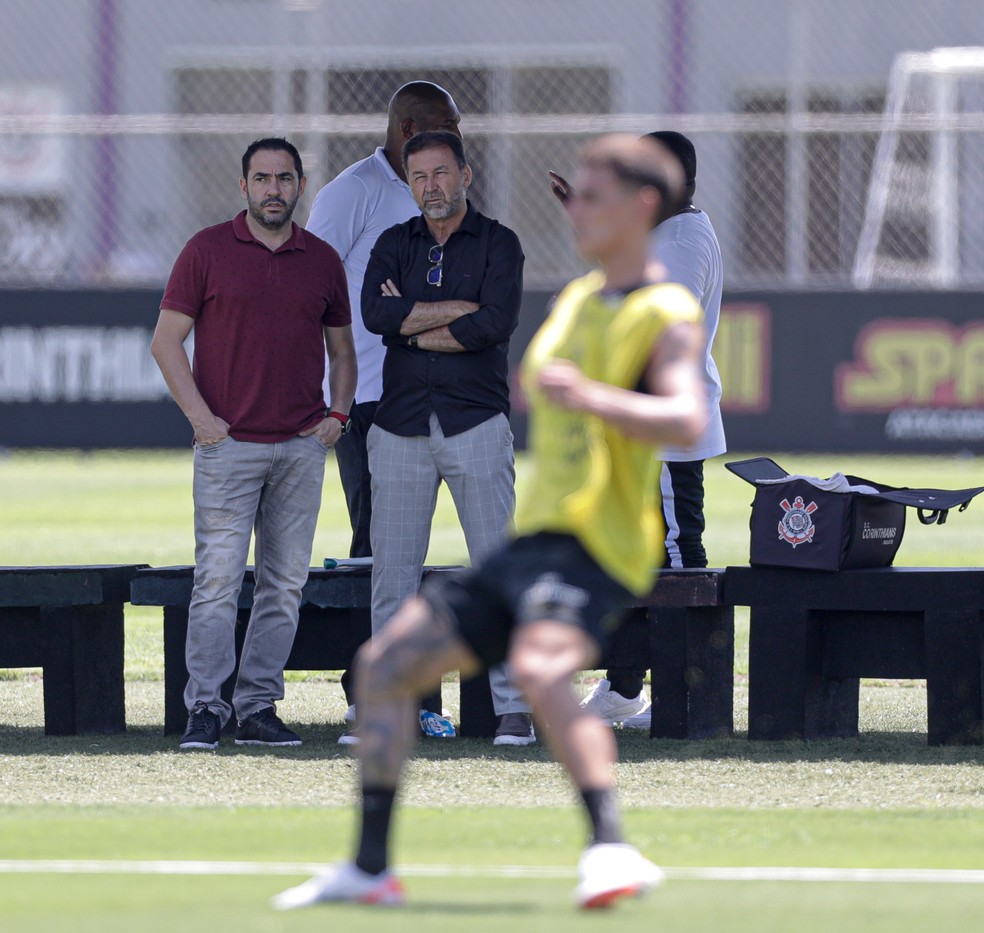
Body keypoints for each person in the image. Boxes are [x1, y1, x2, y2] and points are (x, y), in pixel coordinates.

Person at [272, 133, 706, 911]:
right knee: (381, 668)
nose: (575, 208)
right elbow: (390, 318)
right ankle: (370, 866)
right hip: (533, 543)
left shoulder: (662, 309)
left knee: (540, 672)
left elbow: (683, 415)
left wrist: (594, 397)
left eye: (595, 195)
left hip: (599, 546)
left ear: (641, 209)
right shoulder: (580, 299)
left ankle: (611, 849)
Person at [151, 137, 357, 751]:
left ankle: (257, 708)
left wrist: (337, 416)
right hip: (228, 448)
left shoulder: (320, 258)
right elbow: (166, 343)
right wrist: (202, 420)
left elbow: (343, 351)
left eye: (285, 178)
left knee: (283, 584)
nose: (274, 189)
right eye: (262, 178)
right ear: (244, 186)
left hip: (299, 447)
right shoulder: (207, 250)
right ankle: (206, 711)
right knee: (216, 580)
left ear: (300, 185)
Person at [342, 129, 532, 747]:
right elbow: (376, 316)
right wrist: (458, 310)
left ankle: (514, 710)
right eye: (419, 176)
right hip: (398, 427)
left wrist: (414, 323)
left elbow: (496, 323)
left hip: (476, 420)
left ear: (466, 175)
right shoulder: (394, 243)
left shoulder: (499, 243)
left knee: (497, 572)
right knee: (392, 579)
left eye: (441, 173)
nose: (431, 186)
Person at [554, 131, 726, 729]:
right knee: (637, 558)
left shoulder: (679, 238)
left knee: (677, 561)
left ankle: (690, 696)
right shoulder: (669, 232)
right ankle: (627, 690)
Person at [305, 81, 462, 725]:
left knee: (408, 548)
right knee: (381, 548)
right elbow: (307, 280)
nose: (457, 137)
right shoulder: (355, 191)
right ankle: (376, 693)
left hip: (429, 395)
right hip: (368, 400)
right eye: (446, 126)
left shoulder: (439, 190)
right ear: (407, 128)